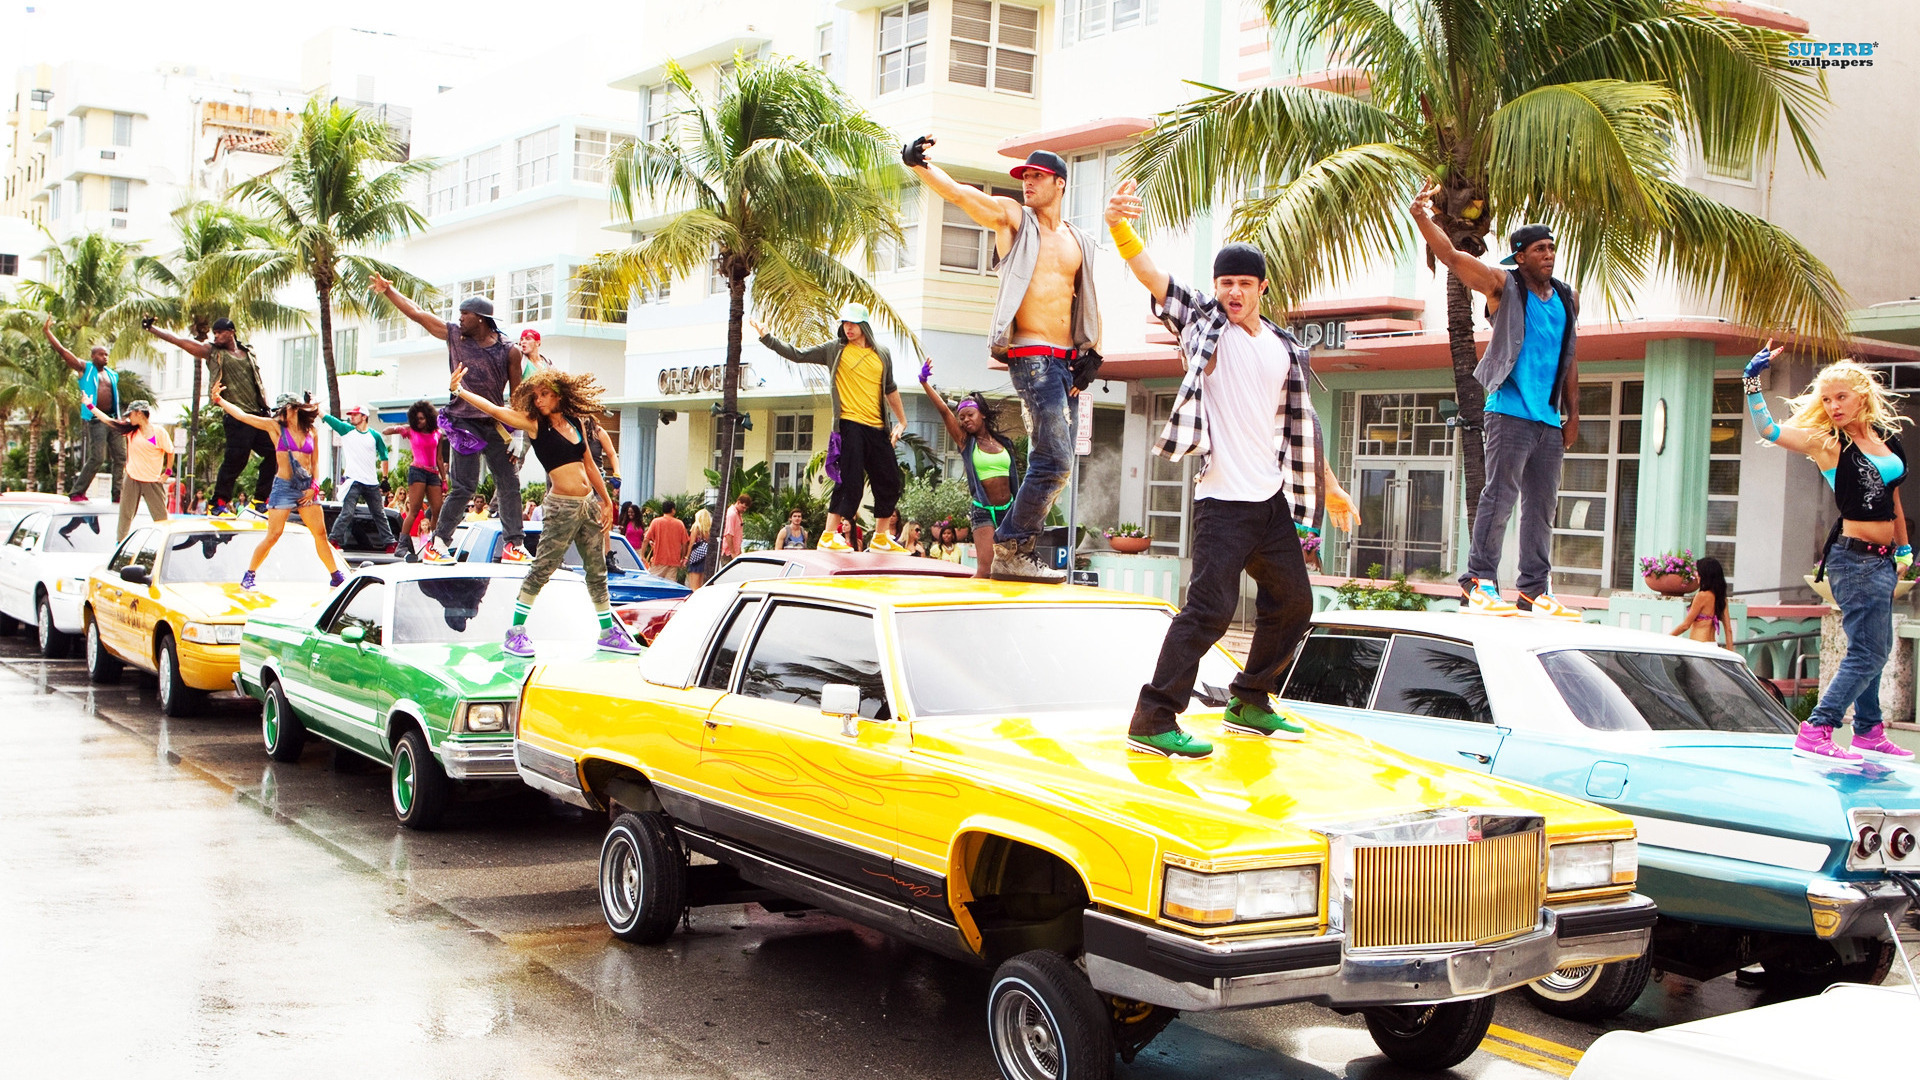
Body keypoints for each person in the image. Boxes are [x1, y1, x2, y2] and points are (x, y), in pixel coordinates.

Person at [1107, 180, 1359, 758]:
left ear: (1263, 287)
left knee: (1295, 603)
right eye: (1226, 283)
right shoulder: (1203, 323)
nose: (1234, 293)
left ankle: (1250, 700)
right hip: (1221, 499)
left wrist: (1333, 488)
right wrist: (1122, 227)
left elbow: (1299, 425)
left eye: (1244, 284)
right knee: (1210, 611)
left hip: (1269, 502)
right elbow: (1156, 280)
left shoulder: (1282, 345)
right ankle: (1153, 717)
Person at [905, 137, 1101, 582]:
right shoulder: (1016, 219)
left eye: (1036, 177)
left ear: (1060, 183)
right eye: (1024, 177)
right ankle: (1012, 544)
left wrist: (1093, 355)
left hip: (1066, 362)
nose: (1027, 183)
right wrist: (921, 167)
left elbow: (1085, 301)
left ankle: (1016, 545)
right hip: (1031, 356)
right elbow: (963, 196)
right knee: (1056, 461)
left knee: (1057, 463)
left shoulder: (1078, 241)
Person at [1411, 185, 1581, 619]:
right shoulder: (1503, 287)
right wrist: (1422, 217)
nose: (1549, 255)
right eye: (1540, 249)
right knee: (1499, 497)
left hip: (1547, 419)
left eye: (1552, 248)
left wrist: (1573, 413)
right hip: (1508, 412)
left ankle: (1532, 591)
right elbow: (1451, 256)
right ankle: (1479, 581)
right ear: (1520, 256)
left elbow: (1570, 357)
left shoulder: (1565, 299)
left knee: (1542, 508)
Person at [1744, 344, 1914, 761]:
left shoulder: (1885, 440)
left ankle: (1869, 731)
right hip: (1853, 560)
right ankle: (1818, 727)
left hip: (1882, 559)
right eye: (1826, 399)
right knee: (1869, 650)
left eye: (1841, 397)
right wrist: (1752, 381)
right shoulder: (1828, 443)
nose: (1833, 406)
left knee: (1876, 646)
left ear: (1862, 396)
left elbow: (1893, 500)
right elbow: (1770, 431)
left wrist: (1905, 548)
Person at [446, 364, 637, 655]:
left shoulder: (576, 422)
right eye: (535, 396)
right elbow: (497, 411)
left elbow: (589, 463)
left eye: (544, 394)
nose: (539, 400)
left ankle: (608, 633)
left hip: (588, 505)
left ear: (558, 395)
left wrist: (607, 501)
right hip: (561, 507)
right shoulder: (536, 425)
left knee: (597, 570)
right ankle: (515, 632)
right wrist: (460, 391)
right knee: (542, 569)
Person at [370, 274, 528, 565]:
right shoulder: (455, 335)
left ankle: (513, 545)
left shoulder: (510, 350)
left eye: (464, 314)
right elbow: (418, 314)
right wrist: (389, 291)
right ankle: (438, 542)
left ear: (481, 318)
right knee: (464, 486)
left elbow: (517, 394)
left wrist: (518, 435)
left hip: (494, 422)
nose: (460, 319)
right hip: (463, 422)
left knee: (509, 484)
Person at [753, 304, 911, 554]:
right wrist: (767, 338)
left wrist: (902, 422)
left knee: (890, 481)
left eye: (853, 323)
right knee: (850, 481)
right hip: (849, 424)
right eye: (845, 323)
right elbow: (798, 354)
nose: (848, 328)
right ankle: (828, 535)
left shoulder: (882, 353)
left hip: (878, 427)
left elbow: (890, 388)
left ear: (864, 325)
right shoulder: (834, 350)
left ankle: (880, 538)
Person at [211, 384, 344, 590]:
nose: (279, 414)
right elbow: (243, 416)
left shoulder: (311, 430)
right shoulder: (275, 427)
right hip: (283, 486)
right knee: (273, 535)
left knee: (320, 534)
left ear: (294, 408)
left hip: (306, 487)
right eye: (278, 410)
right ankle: (250, 574)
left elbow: (315, 462)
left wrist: (314, 487)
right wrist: (220, 400)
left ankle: (336, 576)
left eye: (283, 410)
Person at [144, 315, 276, 515]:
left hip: (257, 415)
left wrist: (266, 405)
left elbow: (257, 381)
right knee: (236, 461)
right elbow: (180, 342)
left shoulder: (248, 352)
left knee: (276, 450)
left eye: (220, 332)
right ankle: (217, 503)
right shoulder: (212, 352)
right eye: (214, 333)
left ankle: (260, 498)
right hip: (236, 416)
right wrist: (153, 329)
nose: (216, 336)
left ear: (231, 332)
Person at [921, 368, 1019, 580]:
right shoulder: (967, 443)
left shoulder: (1004, 443)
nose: (965, 420)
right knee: (985, 570)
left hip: (1008, 511)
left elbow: (1014, 480)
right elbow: (945, 413)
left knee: (1009, 571)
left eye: (970, 415)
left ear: (982, 414)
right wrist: (925, 384)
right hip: (983, 510)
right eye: (962, 417)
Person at [45, 317, 124, 502]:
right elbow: (63, 352)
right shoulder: (85, 369)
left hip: (114, 419)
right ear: (93, 356)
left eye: (106, 355)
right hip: (97, 420)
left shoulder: (112, 375)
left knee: (121, 457)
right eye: (101, 355)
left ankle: (118, 493)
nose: (105, 357)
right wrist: (48, 332)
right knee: (97, 458)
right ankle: (77, 492)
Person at [86, 399, 171, 540]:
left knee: (161, 518)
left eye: (130, 414)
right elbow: (108, 420)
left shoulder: (159, 432)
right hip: (132, 478)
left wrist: (167, 472)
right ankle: (119, 542)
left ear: (139, 413)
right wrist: (89, 405)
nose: (128, 418)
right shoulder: (131, 431)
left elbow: (170, 451)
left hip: (152, 481)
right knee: (126, 514)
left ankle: (164, 544)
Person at [324, 405, 394, 553]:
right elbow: (329, 419)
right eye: (351, 415)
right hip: (353, 481)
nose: (352, 417)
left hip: (371, 482)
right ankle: (333, 539)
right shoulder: (347, 431)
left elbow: (384, 455)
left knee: (379, 513)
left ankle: (390, 542)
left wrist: (385, 478)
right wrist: (315, 407)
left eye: (355, 415)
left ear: (364, 417)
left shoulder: (374, 436)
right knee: (347, 512)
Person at [384, 400, 446, 560]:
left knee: (437, 508)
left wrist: (444, 479)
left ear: (429, 418)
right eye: (416, 419)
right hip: (417, 470)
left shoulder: (437, 434)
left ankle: (433, 541)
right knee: (415, 509)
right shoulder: (411, 431)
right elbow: (386, 431)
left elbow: (439, 458)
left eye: (422, 418)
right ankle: (402, 544)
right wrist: (398, 428)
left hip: (432, 473)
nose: (419, 422)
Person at [1670, 556, 1733, 650]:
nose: (1696, 574)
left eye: (1698, 571)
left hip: (1698, 646)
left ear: (1705, 575)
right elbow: (1728, 630)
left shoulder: (1701, 596)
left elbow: (1685, 625)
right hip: (1712, 646)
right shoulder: (1722, 598)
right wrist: (1730, 653)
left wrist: (1667, 638)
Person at [643, 500, 689, 581]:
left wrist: (642, 555)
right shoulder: (679, 524)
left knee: (653, 583)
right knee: (670, 586)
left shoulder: (656, 522)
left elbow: (646, 539)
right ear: (673, 510)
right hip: (674, 561)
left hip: (659, 560)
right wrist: (682, 557)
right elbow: (685, 543)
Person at [686, 509, 714, 589]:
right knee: (701, 582)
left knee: (693, 584)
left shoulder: (696, 527)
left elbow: (691, 543)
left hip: (696, 557)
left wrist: (687, 556)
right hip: (705, 556)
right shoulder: (709, 529)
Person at [722, 493, 750, 561]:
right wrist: (732, 552)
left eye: (746, 508)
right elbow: (728, 534)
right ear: (738, 502)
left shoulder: (738, 514)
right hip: (729, 553)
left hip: (736, 552)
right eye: (743, 507)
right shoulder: (732, 514)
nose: (744, 510)